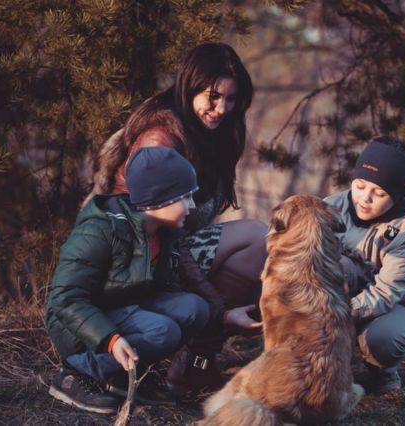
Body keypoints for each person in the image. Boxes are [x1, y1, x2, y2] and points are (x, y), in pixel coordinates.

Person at [83, 42, 267, 393]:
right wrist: (217, 307)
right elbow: (157, 235)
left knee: (258, 242)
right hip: (137, 261)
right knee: (255, 239)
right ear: (189, 86)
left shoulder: (213, 132)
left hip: (170, 250)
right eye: (212, 96)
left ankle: (196, 365)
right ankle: (183, 360)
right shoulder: (160, 139)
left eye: (230, 100)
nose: (220, 109)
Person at [47, 147, 261, 414]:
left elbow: (171, 291)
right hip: (79, 329)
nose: (192, 205)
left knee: (195, 308)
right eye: (185, 197)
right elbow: (65, 299)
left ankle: (122, 378)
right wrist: (110, 339)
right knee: (163, 331)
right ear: (158, 200)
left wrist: (224, 316)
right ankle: (74, 373)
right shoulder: (100, 231)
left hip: (123, 310)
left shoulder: (163, 233)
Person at [324, 135, 405, 395]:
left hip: (387, 306)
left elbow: (386, 293)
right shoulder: (330, 207)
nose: (365, 198)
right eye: (359, 186)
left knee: (385, 340)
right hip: (337, 294)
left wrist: (338, 313)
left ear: (398, 194)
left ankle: (383, 372)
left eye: (379, 193)